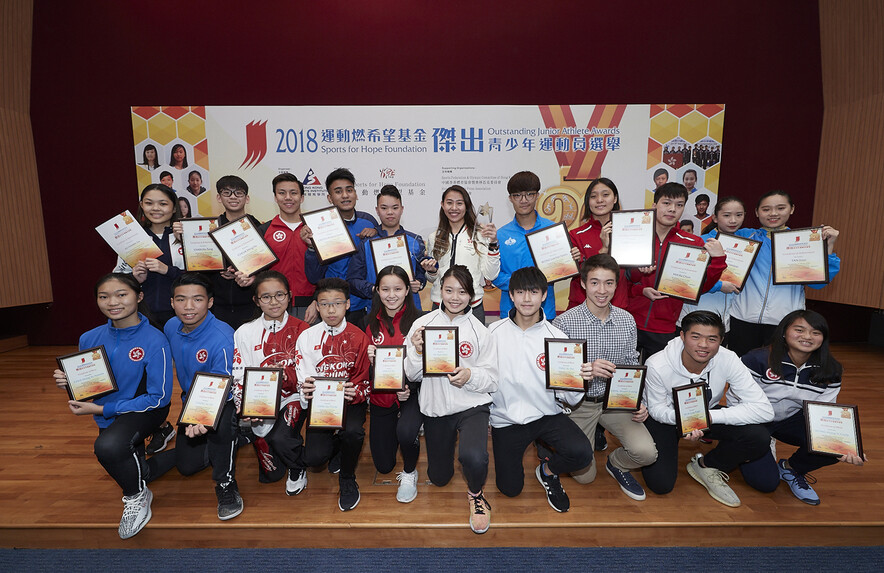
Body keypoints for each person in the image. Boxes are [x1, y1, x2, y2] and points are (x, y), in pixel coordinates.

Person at [52, 273, 173, 539]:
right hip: (109, 413)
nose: (112, 302)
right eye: (104, 296)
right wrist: (69, 382)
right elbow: (90, 387)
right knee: (121, 457)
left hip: (147, 409)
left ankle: (137, 496)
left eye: (121, 294)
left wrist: (101, 410)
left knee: (109, 447)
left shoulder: (155, 339)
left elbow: (160, 397)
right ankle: (165, 460)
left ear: (139, 297)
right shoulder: (89, 338)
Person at [487, 266, 593, 513]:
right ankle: (532, 453)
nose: (527, 299)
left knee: (581, 453)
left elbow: (570, 397)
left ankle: (547, 470)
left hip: (546, 415)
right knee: (510, 489)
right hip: (507, 419)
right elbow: (482, 380)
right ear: (511, 295)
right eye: (520, 292)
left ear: (544, 295)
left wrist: (580, 381)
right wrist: (487, 416)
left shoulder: (557, 338)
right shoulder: (492, 333)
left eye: (533, 292)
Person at [642, 310, 774, 507]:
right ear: (682, 336)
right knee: (661, 484)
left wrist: (707, 418)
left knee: (759, 437)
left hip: (706, 414)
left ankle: (707, 466)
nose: (703, 345)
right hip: (666, 418)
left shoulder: (728, 359)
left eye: (712, 339)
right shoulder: (657, 364)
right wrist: (685, 422)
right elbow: (657, 410)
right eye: (695, 337)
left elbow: (765, 410)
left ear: (721, 340)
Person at [553, 255, 658, 500]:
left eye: (609, 283)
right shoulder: (564, 323)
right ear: (583, 284)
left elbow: (632, 365)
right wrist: (585, 371)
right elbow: (557, 378)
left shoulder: (626, 320)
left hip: (616, 402)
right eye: (595, 283)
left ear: (616, 285)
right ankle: (551, 442)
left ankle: (616, 463)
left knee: (646, 453)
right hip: (580, 404)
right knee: (584, 475)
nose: (602, 290)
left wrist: (640, 401)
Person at [404, 265, 498, 534]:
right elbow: (411, 374)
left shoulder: (481, 331)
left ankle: (476, 493)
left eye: (462, 291)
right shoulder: (422, 325)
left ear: (472, 295)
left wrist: (469, 374)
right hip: (437, 409)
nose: (455, 297)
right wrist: (418, 351)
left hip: (472, 405)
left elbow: (492, 379)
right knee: (439, 478)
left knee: (473, 457)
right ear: (440, 290)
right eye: (449, 290)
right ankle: (444, 470)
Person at [739, 310, 866, 505]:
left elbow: (824, 414)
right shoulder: (757, 359)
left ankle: (791, 468)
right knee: (765, 483)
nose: (807, 337)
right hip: (756, 421)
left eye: (816, 332)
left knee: (834, 445)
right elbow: (737, 398)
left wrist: (847, 446)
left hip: (790, 420)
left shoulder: (830, 370)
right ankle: (752, 444)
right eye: (799, 330)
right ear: (784, 332)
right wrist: (748, 434)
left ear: (823, 338)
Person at [150, 273, 242, 520]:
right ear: (171, 303)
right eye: (181, 300)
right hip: (191, 399)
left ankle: (226, 483)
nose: (188, 307)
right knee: (187, 467)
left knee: (222, 427)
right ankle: (239, 437)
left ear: (210, 302)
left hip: (223, 400)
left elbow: (223, 387)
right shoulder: (170, 326)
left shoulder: (222, 337)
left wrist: (202, 419)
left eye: (197, 299)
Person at [728, 190, 841, 356]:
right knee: (740, 372)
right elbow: (713, 237)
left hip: (785, 322)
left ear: (792, 209)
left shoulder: (804, 241)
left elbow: (818, 284)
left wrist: (828, 247)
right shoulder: (745, 236)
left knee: (776, 374)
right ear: (756, 212)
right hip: (742, 319)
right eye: (766, 209)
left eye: (781, 208)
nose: (773, 213)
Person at [625, 182, 726, 361]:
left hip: (665, 326)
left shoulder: (692, 243)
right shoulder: (635, 235)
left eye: (679, 205)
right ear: (654, 206)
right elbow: (623, 280)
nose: (672, 209)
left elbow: (700, 287)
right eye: (667, 203)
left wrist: (717, 261)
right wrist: (641, 288)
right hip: (629, 321)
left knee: (658, 379)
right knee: (623, 377)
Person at [296, 278, 371, 512]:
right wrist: (305, 389)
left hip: (349, 400)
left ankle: (347, 477)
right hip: (321, 405)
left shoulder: (359, 336)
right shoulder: (307, 337)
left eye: (337, 303)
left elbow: (364, 379)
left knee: (354, 432)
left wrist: (355, 391)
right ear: (316, 306)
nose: (331, 309)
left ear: (348, 304)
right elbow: (303, 376)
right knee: (315, 459)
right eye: (324, 304)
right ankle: (336, 444)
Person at [232, 271, 310, 493]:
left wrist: (289, 378)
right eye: (266, 297)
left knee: (282, 439)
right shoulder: (244, 332)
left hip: (293, 396)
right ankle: (273, 444)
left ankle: (298, 467)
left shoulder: (303, 330)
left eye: (279, 295)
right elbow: (239, 373)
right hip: (260, 402)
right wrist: (243, 407)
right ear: (256, 300)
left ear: (289, 296)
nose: (274, 302)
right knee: (272, 474)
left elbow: (307, 374)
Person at [362, 265, 424, 503]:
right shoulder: (368, 322)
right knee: (384, 466)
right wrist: (369, 363)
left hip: (411, 395)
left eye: (397, 289)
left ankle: (410, 470)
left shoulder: (420, 321)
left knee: (406, 432)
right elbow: (364, 371)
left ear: (408, 290)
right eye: (385, 289)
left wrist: (410, 387)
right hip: (381, 399)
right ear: (377, 290)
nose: (391, 295)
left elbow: (428, 365)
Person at [304, 168, 379, 325]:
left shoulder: (369, 221)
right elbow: (314, 277)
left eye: (349, 190)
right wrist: (312, 248)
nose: (345, 195)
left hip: (363, 305)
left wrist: (376, 232)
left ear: (356, 194)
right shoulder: (319, 226)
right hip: (332, 306)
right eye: (338, 192)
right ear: (330, 198)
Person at [420, 185, 499, 322]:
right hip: (440, 308)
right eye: (449, 203)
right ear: (442, 205)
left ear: (467, 206)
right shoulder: (435, 237)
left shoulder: (480, 235)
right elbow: (433, 279)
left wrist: (493, 244)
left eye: (459, 203)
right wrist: (432, 271)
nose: (454, 208)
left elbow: (490, 275)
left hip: (472, 308)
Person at [115, 184, 184, 329]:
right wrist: (135, 279)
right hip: (142, 314)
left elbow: (202, 277)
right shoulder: (131, 238)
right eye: (149, 203)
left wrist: (168, 270)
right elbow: (118, 281)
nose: (155, 208)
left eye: (163, 204)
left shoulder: (184, 236)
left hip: (182, 313)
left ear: (174, 208)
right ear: (141, 205)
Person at [198, 175, 263, 330]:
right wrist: (218, 271)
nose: (233, 197)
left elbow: (267, 267)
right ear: (219, 197)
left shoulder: (261, 228)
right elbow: (200, 267)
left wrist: (250, 275)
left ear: (247, 198)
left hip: (252, 304)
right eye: (227, 193)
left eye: (238, 193)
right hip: (218, 306)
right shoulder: (208, 229)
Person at [348, 185, 428, 310]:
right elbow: (353, 279)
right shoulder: (366, 244)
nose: (390, 212)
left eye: (395, 207)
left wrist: (419, 283)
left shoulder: (415, 241)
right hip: (376, 311)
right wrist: (374, 289)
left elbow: (421, 273)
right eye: (384, 208)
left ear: (402, 209)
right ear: (377, 210)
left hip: (410, 310)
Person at [678, 197, 747, 338]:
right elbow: (687, 279)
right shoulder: (700, 241)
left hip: (724, 317)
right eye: (726, 215)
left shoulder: (745, 244)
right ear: (715, 217)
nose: (733, 220)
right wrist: (719, 285)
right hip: (695, 312)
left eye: (739, 215)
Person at [254, 173, 317, 322]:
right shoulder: (264, 230)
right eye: (282, 193)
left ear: (301, 198)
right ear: (275, 198)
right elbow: (257, 270)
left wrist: (318, 300)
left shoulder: (315, 229)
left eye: (293, 193)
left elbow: (328, 269)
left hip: (310, 307)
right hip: (274, 306)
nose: (288, 197)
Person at [494, 171, 557, 320]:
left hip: (545, 310)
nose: (523, 200)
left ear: (537, 196)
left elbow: (560, 268)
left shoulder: (553, 230)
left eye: (529, 194)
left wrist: (569, 260)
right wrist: (523, 286)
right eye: (517, 195)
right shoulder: (501, 235)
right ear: (510, 199)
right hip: (510, 311)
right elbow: (495, 274)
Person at [566, 177, 628, 310]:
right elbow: (577, 274)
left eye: (605, 195)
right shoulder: (575, 235)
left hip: (617, 308)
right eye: (593, 196)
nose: (600, 200)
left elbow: (634, 276)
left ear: (615, 198)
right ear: (588, 201)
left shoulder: (628, 231)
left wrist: (644, 268)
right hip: (581, 309)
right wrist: (604, 250)